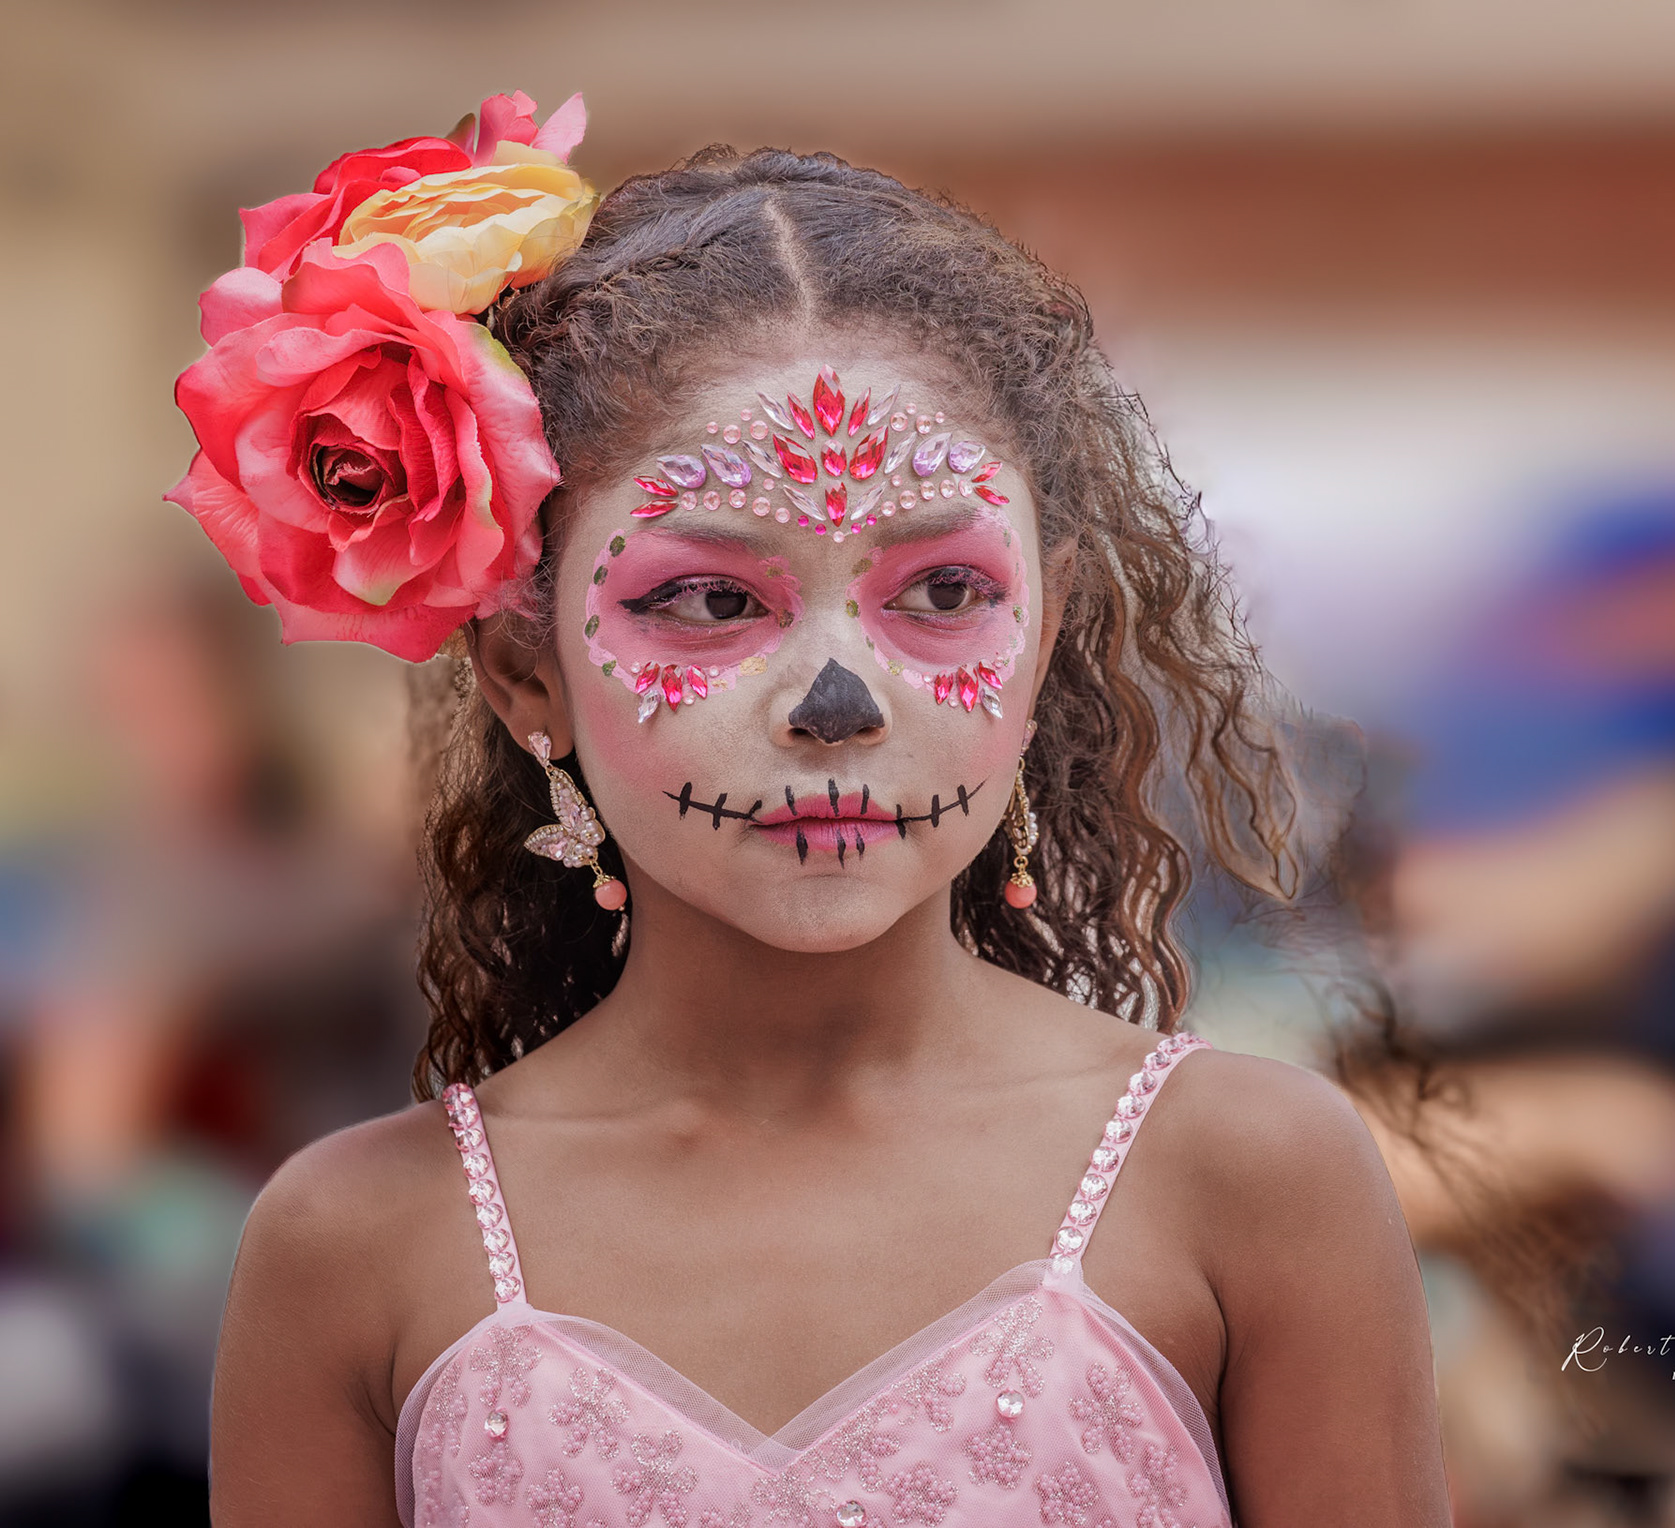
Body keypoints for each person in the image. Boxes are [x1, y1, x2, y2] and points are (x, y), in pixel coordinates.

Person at [176, 92, 1449, 1527]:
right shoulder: (353, 1249)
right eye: (711, 599)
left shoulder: (1252, 1177)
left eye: (945, 593)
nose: (837, 702)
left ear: (1044, 640)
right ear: (528, 673)